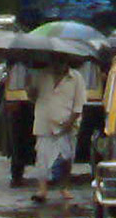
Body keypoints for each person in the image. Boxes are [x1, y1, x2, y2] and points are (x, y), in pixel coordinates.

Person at [29, 59, 85, 207]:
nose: (58, 65)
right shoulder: (41, 75)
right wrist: (29, 87)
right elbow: (32, 97)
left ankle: (64, 188)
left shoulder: (76, 78)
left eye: (62, 61)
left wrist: (70, 122)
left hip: (67, 124)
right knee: (42, 157)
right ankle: (42, 190)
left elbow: (79, 104)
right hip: (44, 122)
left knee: (66, 158)